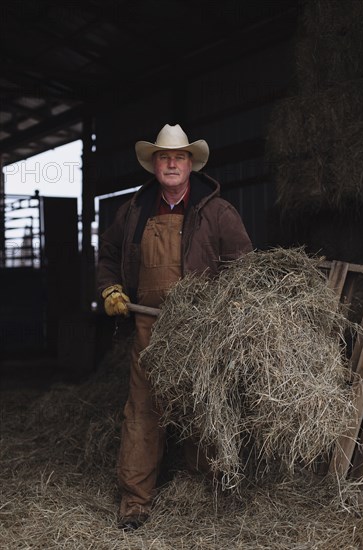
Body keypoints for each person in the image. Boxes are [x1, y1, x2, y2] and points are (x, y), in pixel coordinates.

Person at [97, 123, 253, 530]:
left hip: (201, 330)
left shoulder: (216, 211)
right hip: (149, 328)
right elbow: (108, 254)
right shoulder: (133, 211)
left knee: (203, 408)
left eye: (178, 157)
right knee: (143, 411)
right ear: (154, 164)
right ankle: (135, 503)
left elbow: (244, 267)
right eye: (164, 157)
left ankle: (204, 492)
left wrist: (228, 312)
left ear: (190, 164)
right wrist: (110, 286)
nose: (171, 163)